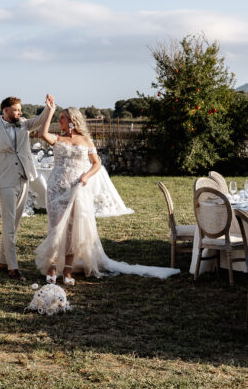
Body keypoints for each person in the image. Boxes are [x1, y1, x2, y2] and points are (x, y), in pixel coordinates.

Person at [35, 106, 179, 284]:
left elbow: (97, 163)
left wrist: (86, 176)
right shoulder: (57, 139)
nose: (60, 120)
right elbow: (42, 133)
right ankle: (51, 268)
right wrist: (50, 110)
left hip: (77, 188)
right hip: (56, 188)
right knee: (55, 228)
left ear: (72, 120)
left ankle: (67, 271)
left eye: (63, 117)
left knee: (73, 230)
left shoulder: (86, 140)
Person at [0, 94, 55, 280]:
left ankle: (2, 262)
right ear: (5, 110)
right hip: (5, 182)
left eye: (20, 109)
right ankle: (13, 268)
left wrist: (49, 108)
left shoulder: (24, 124)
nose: (20, 112)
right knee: (9, 224)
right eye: (16, 109)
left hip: (24, 178)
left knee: (14, 224)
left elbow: (39, 121)